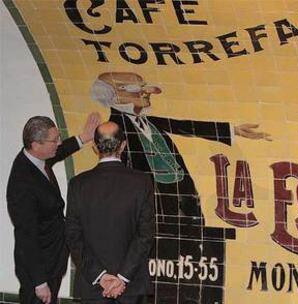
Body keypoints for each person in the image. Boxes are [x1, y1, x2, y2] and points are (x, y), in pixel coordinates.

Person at [91, 72, 271, 224]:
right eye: (136, 88)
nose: (148, 92)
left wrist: (233, 130)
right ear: (113, 94)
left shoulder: (150, 122)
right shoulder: (113, 128)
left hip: (183, 195)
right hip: (153, 203)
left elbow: (186, 126)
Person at [6, 113, 101, 304]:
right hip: (39, 266)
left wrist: (84, 137)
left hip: (53, 257)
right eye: (54, 140)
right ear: (36, 145)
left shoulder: (37, 157)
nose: (59, 143)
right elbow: (27, 236)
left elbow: (59, 151)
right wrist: (40, 283)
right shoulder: (23, 184)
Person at [65, 121, 155, 304]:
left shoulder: (78, 184)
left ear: (94, 147)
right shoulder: (142, 182)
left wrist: (101, 277)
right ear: (123, 145)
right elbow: (145, 235)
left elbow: (73, 236)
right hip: (132, 286)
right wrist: (123, 277)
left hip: (92, 286)